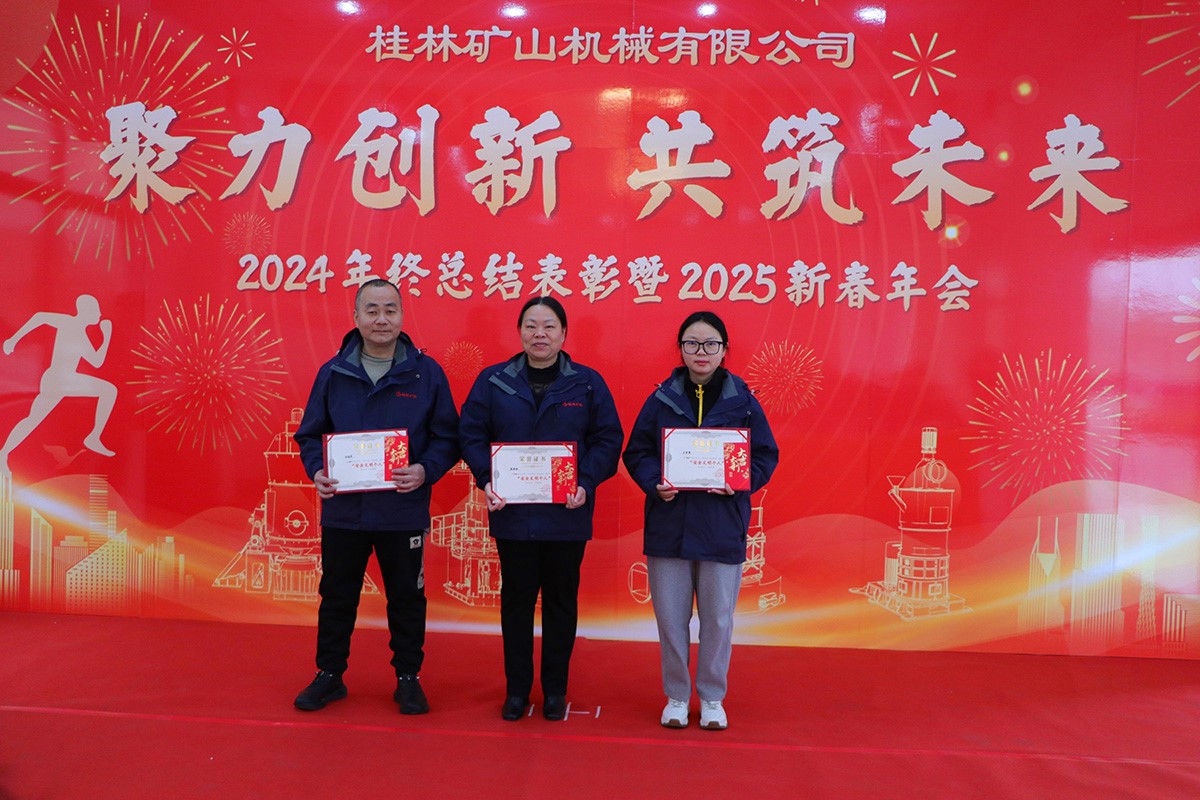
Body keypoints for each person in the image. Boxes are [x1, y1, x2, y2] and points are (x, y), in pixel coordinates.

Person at [292, 279, 460, 714]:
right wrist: (317, 470)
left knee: (406, 598)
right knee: (337, 595)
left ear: (402, 315)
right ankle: (329, 674)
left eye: (390, 310)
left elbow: (447, 437)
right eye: (372, 310)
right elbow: (309, 435)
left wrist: (425, 470)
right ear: (356, 317)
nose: (381, 319)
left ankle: (408, 677)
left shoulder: (426, 373)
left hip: (402, 510)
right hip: (344, 511)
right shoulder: (333, 373)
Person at [458, 297, 623, 722]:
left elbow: (608, 439)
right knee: (516, 601)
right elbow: (470, 434)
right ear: (519, 333)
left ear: (564, 334)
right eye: (531, 326)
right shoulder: (493, 381)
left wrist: (585, 481)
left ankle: (554, 690)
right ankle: (516, 690)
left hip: (567, 513)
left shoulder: (587, 383)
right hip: (512, 514)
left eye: (549, 326)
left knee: (561, 603)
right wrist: (486, 478)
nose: (540, 334)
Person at [621, 310, 778, 731]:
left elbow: (765, 455)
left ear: (725, 350)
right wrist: (655, 483)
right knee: (670, 621)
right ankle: (676, 695)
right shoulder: (661, 399)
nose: (701, 351)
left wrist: (740, 481)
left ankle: (711, 698)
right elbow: (637, 452)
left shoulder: (744, 402)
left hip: (721, 525)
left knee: (718, 621)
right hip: (669, 525)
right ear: (681, 349)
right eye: (692, 343)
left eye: (711, 343)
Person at [1, 294, 118, 471]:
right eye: (96, 310)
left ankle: (94, 437)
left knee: (108, 390)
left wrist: (107, 336)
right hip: (58, 379)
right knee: (33, 419)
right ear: (86, 311)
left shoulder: (81, 335)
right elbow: (40, 316)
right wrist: (13, 340)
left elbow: (97, 362)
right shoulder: (68, 322)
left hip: (65, 379)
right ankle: (4, 453)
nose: (100, 314)